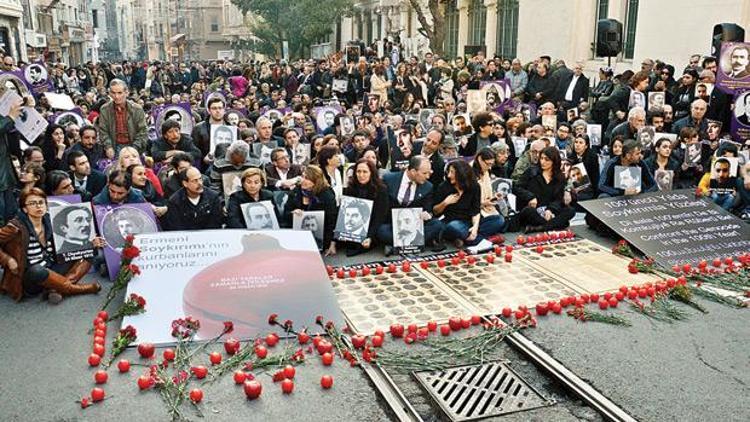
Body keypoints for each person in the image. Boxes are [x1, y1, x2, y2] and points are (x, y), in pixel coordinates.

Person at [0, 188, 101, 303]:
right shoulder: (15, 227)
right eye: (32, 203)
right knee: (37, 270)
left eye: (41, 202)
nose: (38, 206)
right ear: (24, 209)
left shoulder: (49, 220)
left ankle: (56, 289)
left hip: (51, 266)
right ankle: (77, 289)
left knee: (89, 250)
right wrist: (7, 260)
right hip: (30, 278)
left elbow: (71, 242)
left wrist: (92, 243)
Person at [377, 155, 445, 255]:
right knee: (381, 231)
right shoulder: (389, 179)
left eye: (429, 172)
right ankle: (415, 243)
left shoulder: (428, 186)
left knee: (437, 225)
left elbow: (428, 210)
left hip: (415, 225)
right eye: (424, 173)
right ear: (413, 171)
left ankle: (397, 246)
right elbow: (381, 205)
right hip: (393, 224)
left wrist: (427, 214)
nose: (428, 176)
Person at [514, 147, 575, 232]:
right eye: (541, 158)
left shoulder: (559, 177)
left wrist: (550, 209)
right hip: (533, 210)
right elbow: (517, 187)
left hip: (549, 210)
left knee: (570, 210)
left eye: (547, 160)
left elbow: (558, 199)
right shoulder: (531, 171)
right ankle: (555, 225)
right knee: (528, 211)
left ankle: (540, 228)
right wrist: (530, 197)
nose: (543, 162)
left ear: (554, 161)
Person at [283, 165, 338, 256]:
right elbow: (285, 214)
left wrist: (332, 244)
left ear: (316, 181)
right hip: (298, 237)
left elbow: (332, 221)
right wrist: (293, 213)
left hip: (320, 237)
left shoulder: (327, 194)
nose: (303, 180)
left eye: (307, 178)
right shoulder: (296, 192)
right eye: (303, 177)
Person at [341, 159, 389, 256]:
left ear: (371, 173)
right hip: (355, 222)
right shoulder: (350, 188)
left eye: (365, 172)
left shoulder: (381, 189)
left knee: (380, 233)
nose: (361, 175)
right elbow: (344, 213)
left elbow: (380, 216)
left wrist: (370, 236)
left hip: (374, 224)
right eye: (358, 171)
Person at [95, 79, 148, 155]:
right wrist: (108, 146)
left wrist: (134, 148)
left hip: (134, 145)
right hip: (114, 146)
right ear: (109, 93)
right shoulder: (104, 109)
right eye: (113, 93)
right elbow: (103, 131)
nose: (116, 96)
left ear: (126, 93)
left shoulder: (137, 109)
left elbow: (143, 132)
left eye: (120, 93)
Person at [472, 147, 507, 239]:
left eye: (491, 164)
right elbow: (467, 201)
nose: (490, 167)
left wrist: (494, 197)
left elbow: (487, 194)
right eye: (488, 164)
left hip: (486, 208)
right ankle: (475, 236)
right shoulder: (469, 173)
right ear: (479, 159)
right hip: (473, 211)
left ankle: (474, 234)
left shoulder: (486, 172)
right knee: (499, 221)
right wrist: (483, 203)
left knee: (504, 222)